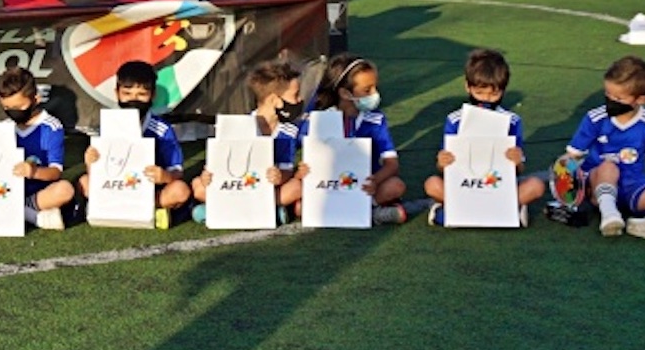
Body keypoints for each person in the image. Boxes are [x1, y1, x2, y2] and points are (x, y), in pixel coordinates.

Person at [562, 55, 645, 240]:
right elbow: (571, 157)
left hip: (634, 187)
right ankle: (609, 214)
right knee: (609, 167)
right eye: (608, 94)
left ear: (641, 99)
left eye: (618, 97)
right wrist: (568, 192)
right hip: (597, 184)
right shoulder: (595, 118)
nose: (611, 100)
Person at [425, 48, 547, 227]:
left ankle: (458, 212)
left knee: (536, 186)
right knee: (432, 184)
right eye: (480, 93)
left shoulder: (512, 121)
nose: (487, 99)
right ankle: (500, 212)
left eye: (494, 94)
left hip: (498, 185)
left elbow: (519, 168)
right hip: (465, 185)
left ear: (503, 90)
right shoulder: (455, 120)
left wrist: (516, 160)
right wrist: (442, 161)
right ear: (468, 87)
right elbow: (444, 168)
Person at [194, 59, 307, 226]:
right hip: (237, 186)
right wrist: (208, 176)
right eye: (295, 95)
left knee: (296, 187)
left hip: (266, 188)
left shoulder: (288, 130)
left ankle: (224, 209)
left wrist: (279, 176)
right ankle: (267, 209)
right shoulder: (239, 125)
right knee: (198, 186)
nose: (300, 100)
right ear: (274, 100)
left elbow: (286, 169)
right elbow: (219, 167)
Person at [79, 60, 191, 228]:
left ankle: (140, 208)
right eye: (127, 93)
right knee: (84, 182)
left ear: (152, 95)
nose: (134, 99)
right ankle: (129, 209)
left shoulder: (161, 129)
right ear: (117, 93)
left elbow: (177, 170)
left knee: (180, 190)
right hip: (115, 188)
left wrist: (165, 176)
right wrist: (90, 163)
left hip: (149, 190)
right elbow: (98, 173)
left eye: (141, 94)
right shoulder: (108, 125)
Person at [309, 53, 408, 224]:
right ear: (345, 93)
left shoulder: (376, 119)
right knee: (300, 203)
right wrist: (303, 170)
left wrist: (375, 181)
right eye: (367, 90)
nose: (375, 94)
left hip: (365, 186)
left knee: (396, 186)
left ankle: (363, 210)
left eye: (375, 87)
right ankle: (373, 213)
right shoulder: (321, 119)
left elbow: (392, 164)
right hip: (330, 185)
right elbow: (310, 159)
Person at [0, 61, 75, 231]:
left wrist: (33, 172)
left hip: (39, 194)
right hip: (5, 191)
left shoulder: (51, 127)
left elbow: (55, 172)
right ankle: (31, 215)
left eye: (18, 107)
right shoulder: (3, 128)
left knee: (65, 190)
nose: (12, 112)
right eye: (6, 107)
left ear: (35, 99)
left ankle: (20, 210)